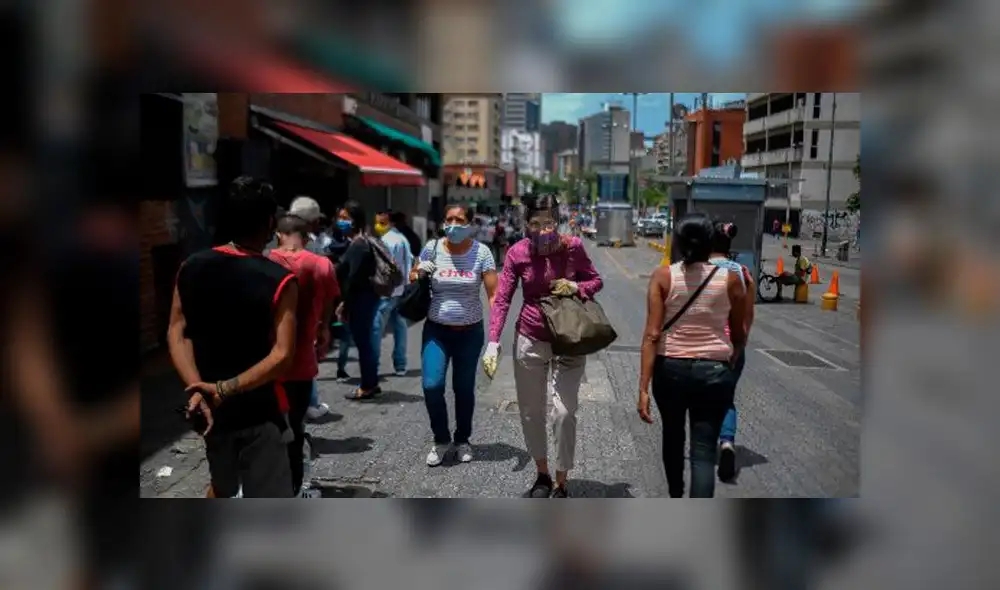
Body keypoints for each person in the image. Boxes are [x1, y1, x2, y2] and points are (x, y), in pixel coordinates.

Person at [168, 176, 299, 498]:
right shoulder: (279, 280)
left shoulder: (191, 266)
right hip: (260, 412)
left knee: (222, 490)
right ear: (270, 223)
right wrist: (222, 390)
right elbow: (283, 356)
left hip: (213, 416)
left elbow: (177, 330)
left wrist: (197, 389)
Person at [484, 194, 604, 498]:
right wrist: (493, 340)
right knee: (531, 412)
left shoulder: (573, 248)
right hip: (530, 337)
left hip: (569, 338)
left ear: (557, 222)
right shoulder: (517, 253)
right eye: (535, 224)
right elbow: (503, 299)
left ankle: (562, 480)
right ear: (526, 225)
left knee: (564, 413)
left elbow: (596, 281)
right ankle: (542, 475)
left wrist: (577, 286)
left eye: (548, 223)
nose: (542, 230)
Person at [637, 212, 748, 498]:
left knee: (672, 438)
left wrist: (643, 387)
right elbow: (739, 330)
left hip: (670, 370)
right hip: (714, 372)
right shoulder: (730, 279)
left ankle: (676, 495)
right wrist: (733, 355)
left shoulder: (663, 276)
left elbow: (652, 334)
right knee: (702, 452)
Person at [411, 204, 498, 466]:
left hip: (470, 332)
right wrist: (418, 271)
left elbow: (494, 295)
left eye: (459, 220)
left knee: (463, 388)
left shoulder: (482, 253)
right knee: (432, 385)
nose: (453, 224)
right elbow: (412, 276)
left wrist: (495, 336)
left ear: (470, 224)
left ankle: (462, 439)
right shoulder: (432, 248)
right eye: (449, 219)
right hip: (437, 330)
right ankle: (440, 439)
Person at [267, 214, 338, 496]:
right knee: (294, 428)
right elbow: (328, 308)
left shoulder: (263, 262)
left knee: (265, 429)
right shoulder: (322, 265)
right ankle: (294, 489)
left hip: (264, 363)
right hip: (300, 363)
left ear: (278, 235)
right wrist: (323, 331)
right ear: (308, 237)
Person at [708, 222, 756, 482]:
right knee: (726, 398)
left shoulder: (698, 271)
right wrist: (740, 344)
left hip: (705, 346)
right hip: (732, 346)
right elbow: (748, 315)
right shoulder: (742, 272)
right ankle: (726, 443)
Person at [335, 201, 382, 400]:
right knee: (366, 343)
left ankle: (367, 386)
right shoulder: (361, 242)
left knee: (364, 344)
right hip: (367, 298)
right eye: (340, 218)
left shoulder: (358, 245)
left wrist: (344, 303)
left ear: (355, 221)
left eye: (345, 218)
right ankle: (371, 382)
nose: (341, 222)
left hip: (361, 300)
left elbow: (352, 278)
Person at [374, 210, 414, 377]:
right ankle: (400, 364)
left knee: (376, 327)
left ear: (390, 223)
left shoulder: (386, 241)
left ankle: (372, 364)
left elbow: (383, 268)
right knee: (399, 326)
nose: (378, 226)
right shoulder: (402, 239)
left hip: (388, 291)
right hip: (401, 290)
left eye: (382, 223)